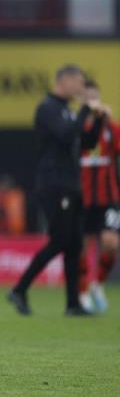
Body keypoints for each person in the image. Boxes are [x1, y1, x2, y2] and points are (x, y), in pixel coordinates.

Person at [7, 64, 105, 316]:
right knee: (60, 240)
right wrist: (86, 108)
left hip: (72, 184)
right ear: (65, 81)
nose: (81, 88)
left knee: (73, 244)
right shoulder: (48, 108)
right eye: (78, 83)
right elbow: (66, 135)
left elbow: (86, 143)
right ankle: (19, 289)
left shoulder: (67, 111)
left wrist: (98, 119)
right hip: (54, 184)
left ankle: (73, 304)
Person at [78, 79, 120, 312]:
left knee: (111, 244)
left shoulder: (111, 129)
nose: (92, 102)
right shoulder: (76, 129)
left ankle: (98, 284)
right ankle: (83, 291)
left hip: (109, 197)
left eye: (94, 97)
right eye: (87, 98)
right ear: (81, 101)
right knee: (82, 247)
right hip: (83, 198)